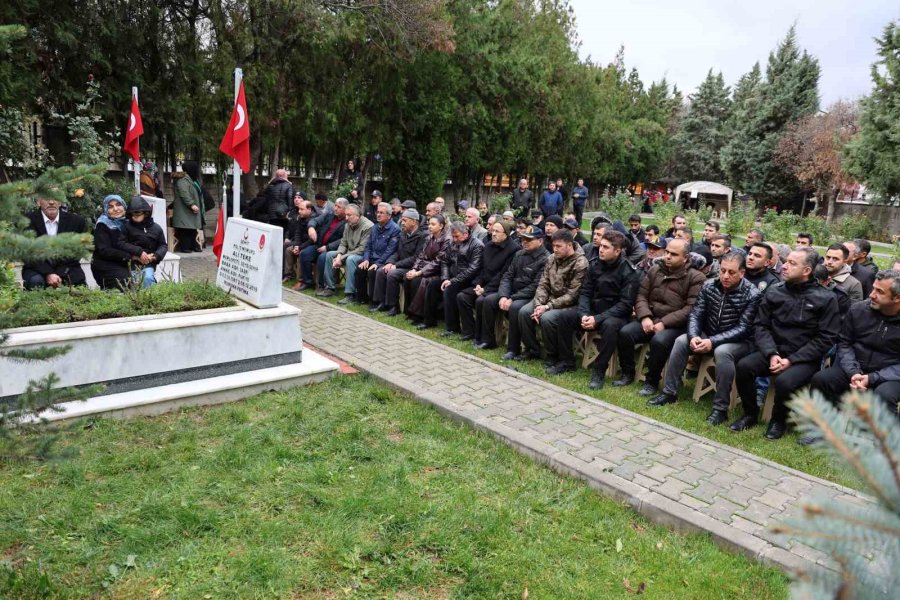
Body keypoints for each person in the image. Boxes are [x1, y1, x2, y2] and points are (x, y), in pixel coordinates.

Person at [731, 247, 841, 440]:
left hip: (803, 358)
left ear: (806, 271)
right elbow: (761, 325)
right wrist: (772, 353)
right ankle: (750, 413)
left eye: (792, 263)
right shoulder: (775, 291)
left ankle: (778, 420)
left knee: (785, 381)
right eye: (786, 261)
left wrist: (791, 360)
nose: (784, 266)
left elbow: (826, 338)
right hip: (773, 351)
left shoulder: (826, 298)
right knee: (744, 366)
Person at [649, 251, 761, 424]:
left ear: (742, 273)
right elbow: (696, 315)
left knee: (723, 352)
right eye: (723, 270)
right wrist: (694, 336)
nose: (725, 276)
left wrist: (713, 341)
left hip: (739, 341)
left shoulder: (752, 294)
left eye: (731, 272)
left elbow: (744, 328)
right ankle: (669, 393)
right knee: (681, 341)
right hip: (709, 333)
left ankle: (720, 409)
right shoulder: (709, 286)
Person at [805, 270, 900, 438]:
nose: (871, 295)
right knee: (822, 379)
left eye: (880, 292)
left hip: (890, 374)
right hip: (855, 366)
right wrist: (853, 372)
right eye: (873, 289)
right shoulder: (858, 310)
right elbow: (844, 342)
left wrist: (872, 378)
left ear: (897, 298)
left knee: (884, 395)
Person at [615, 238, 706, 395]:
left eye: (674, 254)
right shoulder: (655, 270)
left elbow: (691, 309)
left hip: (675, 325)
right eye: (667, 252)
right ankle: (627, 373)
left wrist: (664, 323)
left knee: (659, 340)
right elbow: (641, 295)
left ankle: (651, 381)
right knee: (625, 333)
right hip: (650, 318)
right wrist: (645, 317)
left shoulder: (696, 277)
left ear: (685, 258)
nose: (668, 256)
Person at [572, 231, 641, 389]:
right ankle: (565, 360)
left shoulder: (629, 271)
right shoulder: (594, 264)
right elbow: (585, 293)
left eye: (605, 247)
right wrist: (584, 314)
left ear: (617, 251)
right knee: (562, 318)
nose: (600, 249)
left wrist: (597, 319)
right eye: (600, 246)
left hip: (615, 315)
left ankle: (599, 372)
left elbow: (625, 304)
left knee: (610, 327)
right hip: (592, 312)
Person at [516, 230, 588, 368]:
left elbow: (573, 294)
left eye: (559, 246)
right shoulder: (551, 258)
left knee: (547, 318)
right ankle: (533, 349)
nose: (555, 249)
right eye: (554, 245)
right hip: (548, 299)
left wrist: (548, 306)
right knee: (524, 312)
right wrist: (539, 304)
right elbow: (543, 284)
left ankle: (552, 355)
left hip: (569, 304)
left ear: (569, 245)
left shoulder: (580, 263)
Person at [478, 226, 549, 353]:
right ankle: (488, 340)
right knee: (489, 300)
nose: (524, 242)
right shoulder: (519, 254)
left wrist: (512, 298)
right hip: (512, 292)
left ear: (540, 241)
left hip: (529, 296)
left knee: (515, 307)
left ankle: (513, 349)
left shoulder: (545, 259)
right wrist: (504, 296)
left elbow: (536, 286)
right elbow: (507, 276)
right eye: (523, 239)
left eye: (529, 240)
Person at [458, 221, 519, 344]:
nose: (493, 234)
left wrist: (485, 290)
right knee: (462, 296)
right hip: (484, 285)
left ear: (506, 234)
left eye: (497, 231)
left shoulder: (514, 249)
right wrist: (478, 284)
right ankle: (470, 332)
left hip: (501, 288)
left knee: (482, 300)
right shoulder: (489, 246)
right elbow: (482, 268)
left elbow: (504, 275)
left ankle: (487, 339)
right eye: (492, 231)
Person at [21, 194, 87, 289]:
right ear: (38, 202)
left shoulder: (76, 221)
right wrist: (48, 273)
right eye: (47, 197)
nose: (51, 202)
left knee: (79, 282)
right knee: (36, 281)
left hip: (67, 267)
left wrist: (59, 273)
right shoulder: (26, 222)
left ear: (60, 202)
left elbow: (76, 252)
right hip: (37, 268)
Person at [372, 209, 427, 315]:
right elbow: (397, 252)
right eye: (402, 220)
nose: (402, 223)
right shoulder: (403, 233)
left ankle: (394, 307)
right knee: (381, 271)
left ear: (414, 222)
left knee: (392, 274)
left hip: (413, 268)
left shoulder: (422, 236)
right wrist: (390, 262)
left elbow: (416, 258)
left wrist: (395, 265)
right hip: (401, 265)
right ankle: (381, 302)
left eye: (405, 220)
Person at [437, 221, 484, 335]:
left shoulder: (477, 245)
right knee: (433, 285)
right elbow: (444, 261)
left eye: (456, 236)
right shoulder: (452, 243)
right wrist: (445, 278)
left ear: (465, 234)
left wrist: (452, 281)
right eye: (452, 236)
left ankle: (453, 328)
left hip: (470, 281)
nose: (454, 239)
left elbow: (473, 269)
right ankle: (429, 319)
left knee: (450, 290)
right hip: (453, 277)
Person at [319, 204, 373, 301]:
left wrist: (342, 258)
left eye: (349, 215)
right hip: (349, 252)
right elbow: (343, 243)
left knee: (350, 259)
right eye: (346, 215)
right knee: (330, 255)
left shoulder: (368, 226)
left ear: (357, 215)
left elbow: (362, 249)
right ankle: (330, 288)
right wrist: (339, 256)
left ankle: (350, 294)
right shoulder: (348, 224)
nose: (346, 218)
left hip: (362, 256)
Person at [406, 215, 451, 328]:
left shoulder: (447, 240)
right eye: (429, 223)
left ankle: (419, 315)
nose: (429, 226)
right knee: (407, 278)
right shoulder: (428, 237)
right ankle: (411, 312)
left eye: (433, 224)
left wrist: (419, 272)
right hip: (424, 268)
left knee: (421, 281)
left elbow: (438, 261)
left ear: (441, 226)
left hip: (438, 271)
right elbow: (420, 256)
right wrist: (414, 269)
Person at [354, 202, 401, 307]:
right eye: (377, 212)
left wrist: (378, 262)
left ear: (389, 215)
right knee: (360, 266)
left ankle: (374, 301)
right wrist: (366, 259)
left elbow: (390, 250)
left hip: (384, 260)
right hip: (372, 258)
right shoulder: (375, 227)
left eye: (381, 213)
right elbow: (368, 246)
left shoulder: (395, 229)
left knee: (372, 271)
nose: (378, 215)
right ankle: (361, 297)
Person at [118, 196, 167, 288]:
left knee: (147, 278)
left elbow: (163, 245)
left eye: (138, 213)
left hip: (148, 262)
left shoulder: (156, 228)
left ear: (146, 213)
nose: (135, 216)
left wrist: (155, 256)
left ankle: (148, 300)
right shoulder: (126, 227)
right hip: (131, 262)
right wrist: (138, 252)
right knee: (134, 283)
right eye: (132, 213)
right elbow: (121, 243)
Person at [300, 198, 347, 292]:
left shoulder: (347, 221)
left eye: (339, 207)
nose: (335, 208)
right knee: (304, 254)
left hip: (333, 249)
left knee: (322, 258)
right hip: (319, 245)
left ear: (345, 209)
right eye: (335, 206)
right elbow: (315, 220)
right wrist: (311, 227)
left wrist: (328, 247)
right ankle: (308, 282)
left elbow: (343, 240)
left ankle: (321, 285)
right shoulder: (329, 215)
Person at [91, 195, 133, 290]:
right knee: (124, 284)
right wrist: (130, 256)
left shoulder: (129, 222)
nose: (115, 209)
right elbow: (104, 250)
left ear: (124, 206)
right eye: (110, 206)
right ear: (106, 209)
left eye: (118, 205)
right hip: (106, 264)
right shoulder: (102, 225)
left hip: (126, 262)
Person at [172, 161, 204, 253]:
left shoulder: (192, 180)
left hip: (190, 211)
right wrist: (192, 204)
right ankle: (185, 247)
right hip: (185, 210)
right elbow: (184, 194)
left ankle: (193, 246)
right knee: (185, 229)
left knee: (192, 229)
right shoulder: (183, 181)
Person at [284, 195, 313, 281]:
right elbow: (298, 233)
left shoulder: (315, 219)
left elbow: (312, 240)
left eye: (302, 209)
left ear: (309, 209)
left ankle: (301, 279)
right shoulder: (300, 218)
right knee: (288, 250)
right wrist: (297, 245)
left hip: (310, 245)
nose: (299, 211)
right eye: (299, 209)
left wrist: (300, 247)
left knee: (302, 253)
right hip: (300, 243)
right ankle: (288, 274)